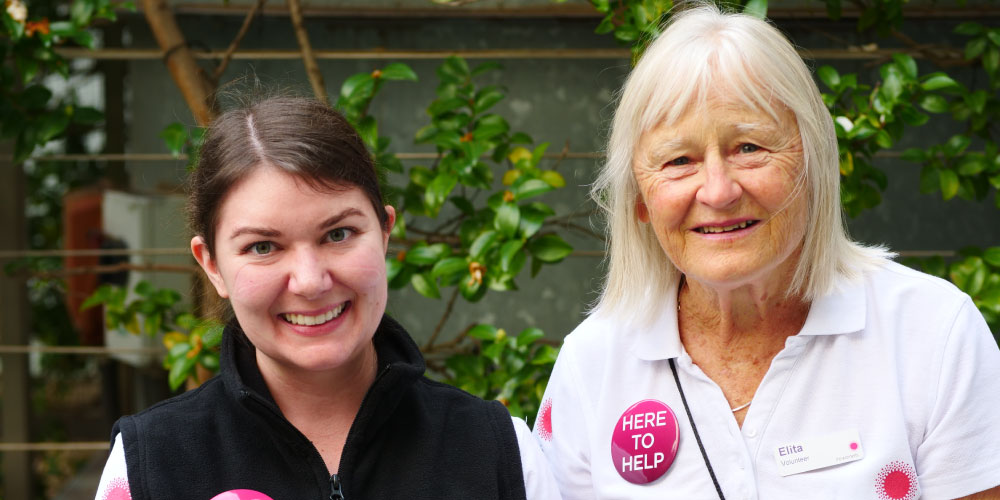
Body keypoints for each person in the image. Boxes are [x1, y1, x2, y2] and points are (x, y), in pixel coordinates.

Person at [533, 4, 1000, 500]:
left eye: (749, 147)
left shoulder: (931, 333)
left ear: (813, 163)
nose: (717, 191)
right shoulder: (594, 362)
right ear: (639, 201)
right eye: (679, 160)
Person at [94, 96, 560, 500]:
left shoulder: (500, 452)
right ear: (211, 264)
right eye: (263, 247)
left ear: (385, 234)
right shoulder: (147, 466)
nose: (310, 281)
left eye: (338, 234)